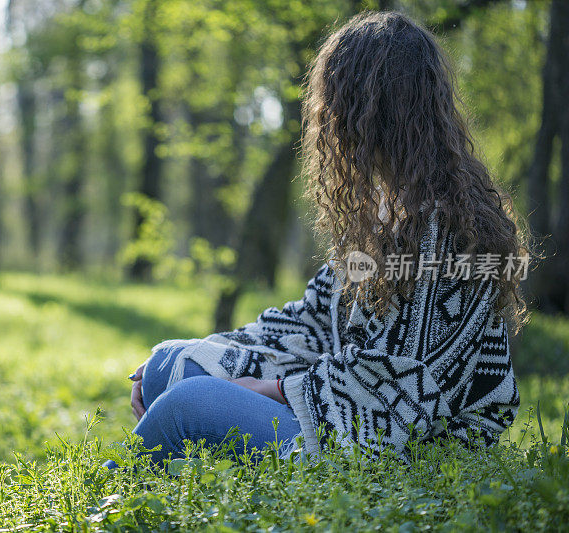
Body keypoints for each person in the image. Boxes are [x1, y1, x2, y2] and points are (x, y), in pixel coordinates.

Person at [107, 10, 529, 468]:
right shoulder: (383, 217)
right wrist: (205, 350)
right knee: (172, 365)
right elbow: (308, 322)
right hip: (342, 411)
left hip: (400, 447)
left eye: (335, 102)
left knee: (187, 405)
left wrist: (273, 389)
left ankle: (106, 506)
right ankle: (176, 499)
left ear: (370, 111)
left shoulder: (448, 230)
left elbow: (403, 388)